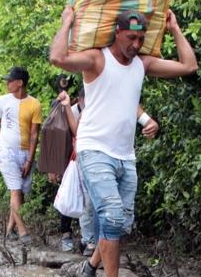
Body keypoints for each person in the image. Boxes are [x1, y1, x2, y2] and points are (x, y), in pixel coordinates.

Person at [50, 7, 197, 277]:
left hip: (125, 156)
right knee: (113, 217)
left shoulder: (142, 64)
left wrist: (174, 29)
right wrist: (67, 22)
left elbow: (188, 66)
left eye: (141, 39)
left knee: (119, 224)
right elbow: (58, 58)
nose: (136, 44)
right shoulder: (96, 59)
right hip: (94, 150)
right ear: (117, 33)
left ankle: (90, 267)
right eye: (130, 37)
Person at [54, 86, 159, 256]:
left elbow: (131, 103)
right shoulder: (93, 105)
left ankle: (97, 254)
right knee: (96, 207)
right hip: (95, 160)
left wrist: (148, 121)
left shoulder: (121, 95)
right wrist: (67, 106)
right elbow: (78, 132)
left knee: (120, 215)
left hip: (123, 158)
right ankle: (93, 247)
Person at [0, 66, 43, 246]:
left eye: (10, 81)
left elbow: (34, 134)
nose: (7, 83)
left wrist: (30, 159)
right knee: (15, 190)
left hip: (25, 153)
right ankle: (23, 231)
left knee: (20, 194)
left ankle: (10, 229)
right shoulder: (2, 101)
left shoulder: (34, 104)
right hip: (6, 152)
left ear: (20, 83)